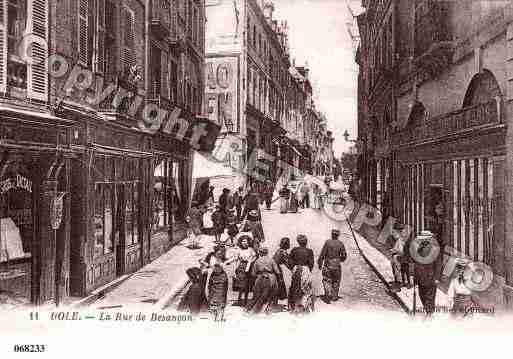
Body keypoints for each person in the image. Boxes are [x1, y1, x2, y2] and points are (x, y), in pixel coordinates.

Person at [245, 247, 280, 315]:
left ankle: (249, 308)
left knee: (256, 295)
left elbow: (253, 273)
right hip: (270, 278)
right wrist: (279, 279)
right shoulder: (271, 260)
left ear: (260, 253)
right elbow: (277, 271)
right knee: (271, 293)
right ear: (267, 252)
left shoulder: (257, 261)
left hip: (259, 278)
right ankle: (265, 309)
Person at [200, 245, 229, 321]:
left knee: (221, 297)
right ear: (215, 252)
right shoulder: (210, 257)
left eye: (221, 253)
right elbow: (205, 267)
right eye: (219, 253)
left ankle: (219, 316)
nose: (220, 254)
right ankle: (214, 314)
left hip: (222, 279)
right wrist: (205, 266)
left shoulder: (223, 258)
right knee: (211, 295)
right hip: (213, 279)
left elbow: (228, 261)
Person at [318, 229, 347, 304]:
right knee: (336, 280)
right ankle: (334, 296)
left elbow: (322, 253)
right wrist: (339, 260)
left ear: (332, 234)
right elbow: (344, 255)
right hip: (336, 265)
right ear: (338, 235)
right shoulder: (340, 243)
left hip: (328, 263)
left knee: (327, 279)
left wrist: (320, 263)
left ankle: (328, 294)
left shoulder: (327, 242)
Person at [288, 235, 315, 313]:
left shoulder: (294, 250)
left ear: (298, 242)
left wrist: (293, 268)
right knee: (306, 288)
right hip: (305, 269)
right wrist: (307, 270)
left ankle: (294, 306)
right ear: (306, 242)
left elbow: (290, 261)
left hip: (296, 269)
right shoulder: (309, 251)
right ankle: (304, 306)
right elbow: (311, 264)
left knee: (294, 287)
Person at [230, 235, 257, 307]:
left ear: (248, 242)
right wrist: (228, 262)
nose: (244, 243)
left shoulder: (251, 250)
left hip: (248, 268)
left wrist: (250, 262)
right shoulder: (239, 250)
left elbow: (254, 257)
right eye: (243, 241)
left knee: (247, 285)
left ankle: (245, 300)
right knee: (240, 285)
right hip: (241, 268)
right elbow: (235, 258)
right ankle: (239, 300)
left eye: (246, 241)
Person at [273, 237, 291, 308]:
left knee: (277, 286)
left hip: (274, 268)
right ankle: (274, 303)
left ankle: (274, 303)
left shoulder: (279, 250)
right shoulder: (283, 252)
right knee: (279, 285)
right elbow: (288, 263)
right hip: (277, 269)